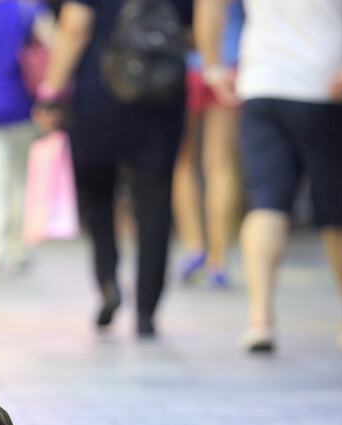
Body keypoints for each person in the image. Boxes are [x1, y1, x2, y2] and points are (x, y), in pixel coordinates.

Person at [197, 0, 342, 355]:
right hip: (327, 84)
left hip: (263, 83)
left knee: (267, 202)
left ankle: (259, 319)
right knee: (341, 216)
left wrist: (212, 65)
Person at [35, 0, 225, 338]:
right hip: (161, 94)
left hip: (99, 90)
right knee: (154, 203)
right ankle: (147, 312)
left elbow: (74, 27)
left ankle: (108, 280)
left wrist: (51, 89)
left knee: (96, 193)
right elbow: (197, 33)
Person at [0, 0, 55, 274]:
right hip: (22, 105)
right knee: (19, 180)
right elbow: (52, 44)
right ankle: (16, 248)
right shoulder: (29, 9)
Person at [174, 0, 244, 289]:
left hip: (184, 65)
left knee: (183, 161)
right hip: (231, 63)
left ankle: (194, 248)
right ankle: (218, 260)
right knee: (221, 163)